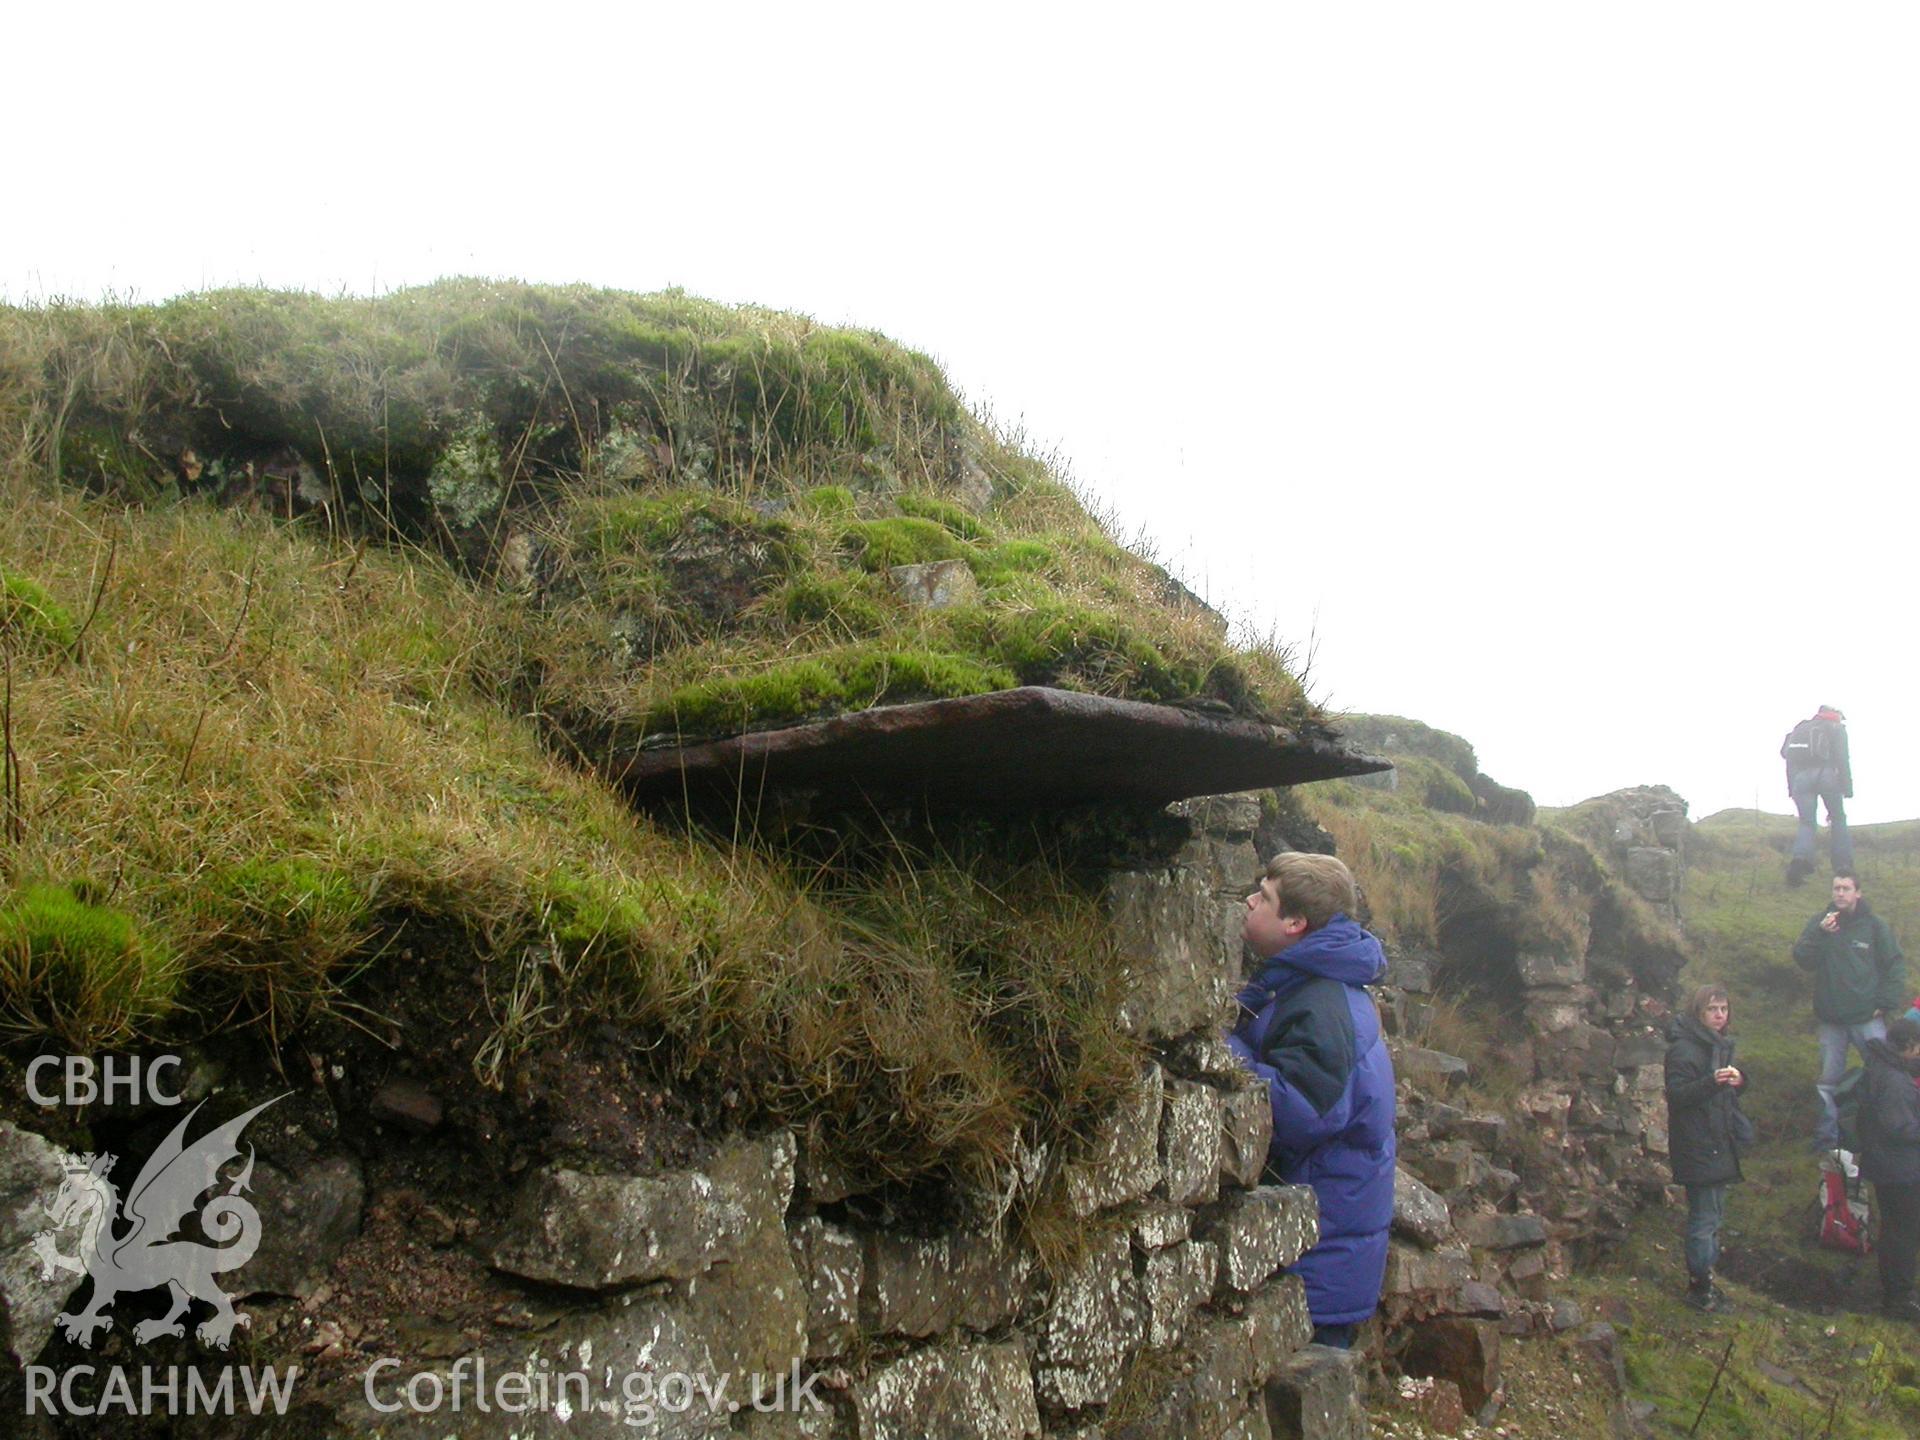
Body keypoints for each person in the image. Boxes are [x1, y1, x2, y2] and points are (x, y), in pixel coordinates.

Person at [1226, 851, 1395, 1348]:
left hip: (1316, 1267)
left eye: (1265, 897)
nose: (1249, 902)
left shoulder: (1322, 1004)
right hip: (1327, 1252)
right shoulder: (1314, 983)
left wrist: (1220, 1051)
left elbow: (1301, 1112)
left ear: (1295, 923)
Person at [1795, 871, 1908, 1149]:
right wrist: (1820, 933)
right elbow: (1802, 958)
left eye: (1846, 888)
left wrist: (1885, 1002)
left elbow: (1894, 964)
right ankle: (1827, 1142)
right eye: (1836, 888)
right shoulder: (1822, 923)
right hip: (1830, 1020)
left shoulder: (1874, 926)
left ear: (1858, 892)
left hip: (1867, 1018)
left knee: (1885, 1074)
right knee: (1827, 1083)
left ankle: (1887, 1133)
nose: (1840, 893)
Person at [1664, 983, 1753, 1312]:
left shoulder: (1719, 1046)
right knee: (1704, 1220)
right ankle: (1699, 1289)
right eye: (1712, 1009)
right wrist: (1710, 1082)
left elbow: (1726, 1095)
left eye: (1724, 1009)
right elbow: (1677, 1096)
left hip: (1718, 1143)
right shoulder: (1684, 1050)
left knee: (1713, 1217)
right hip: (1698, 1145)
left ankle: (1707, 1282)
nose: (1719, 1015)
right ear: (1697, 1013)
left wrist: (1739, 1081)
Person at [1858, 1016, 1920, 1322]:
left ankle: (1895, 1292)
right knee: (1905, 1233)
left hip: (1884, 1165)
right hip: (1900, 1170)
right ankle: (1900, 1297)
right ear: (1908, 1046)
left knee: (1894, 1229)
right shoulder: (1895, 1081)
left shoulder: (1880, 1066)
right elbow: (1899, 1126)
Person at [1781, 705, 1853, 884]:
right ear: (1836, 715)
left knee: (1806, 822)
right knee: (1838, 818)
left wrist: (1792, 787)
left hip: (1800, 779)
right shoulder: (1836, 729)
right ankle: (1842, 867)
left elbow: (1786, 755)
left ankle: (1799, 863)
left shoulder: (1801, 728)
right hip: (1827, 775)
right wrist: (1847, 787)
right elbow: (1843, 759)